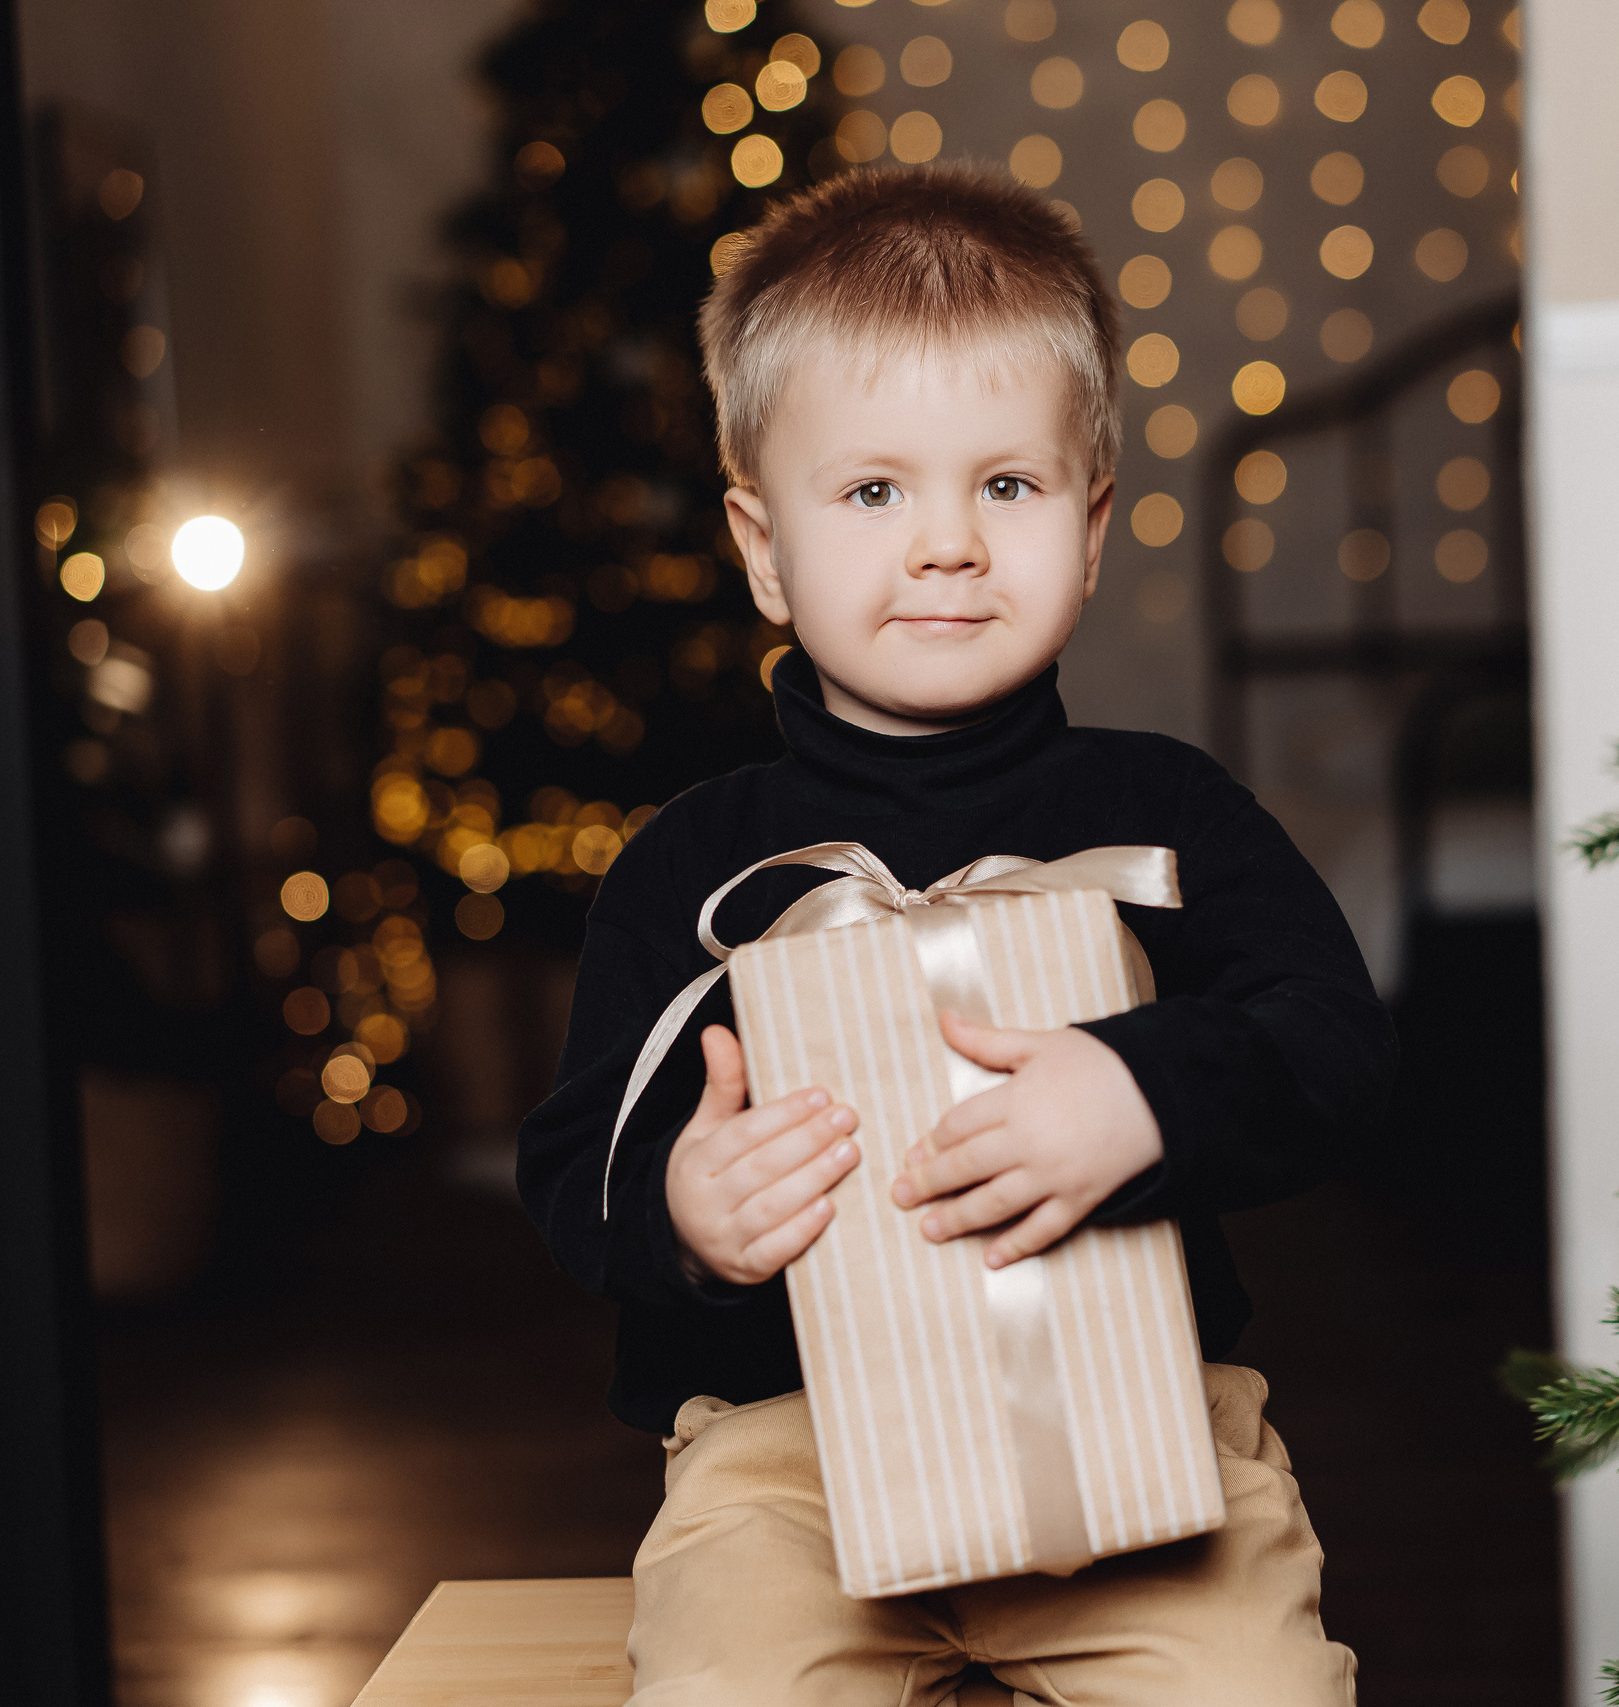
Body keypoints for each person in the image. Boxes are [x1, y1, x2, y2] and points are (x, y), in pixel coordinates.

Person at [518, 163, 1392, 1707]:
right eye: (872, 492)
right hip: (792, 1469)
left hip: (1150, 1438)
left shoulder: (1161, 809)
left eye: (1007, 485)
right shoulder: (697, 864)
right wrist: (685, 1210)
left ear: (1093, 522)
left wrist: (1143, 1092)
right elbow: (572, 1155)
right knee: (726, 1686)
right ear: (762, 545)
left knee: (1256, 1689)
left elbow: (1338, 1046)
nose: (947, 545)